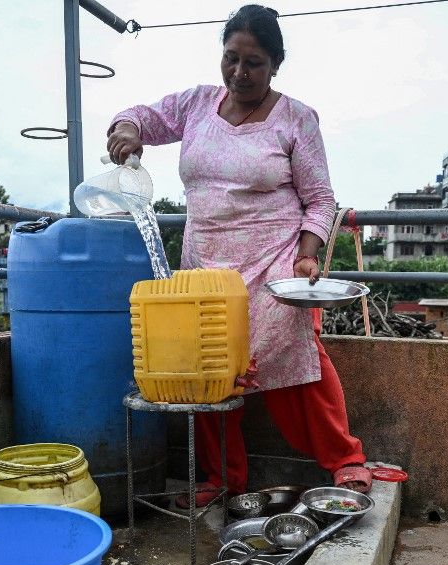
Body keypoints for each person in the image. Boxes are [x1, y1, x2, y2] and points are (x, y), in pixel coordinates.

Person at [107, 4, 371, 506]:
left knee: (298, 362)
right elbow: (143, 116)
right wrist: (127, 128)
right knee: (209, 370)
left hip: (274, 261)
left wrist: (308, 254)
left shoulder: (297, 119)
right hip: (205, 264)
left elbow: (320, 200)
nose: (239, 72)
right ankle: (221, 479)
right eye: (231, 58)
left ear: (275, 65)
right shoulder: (197, 105)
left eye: (253, 63)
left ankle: (345, 460)